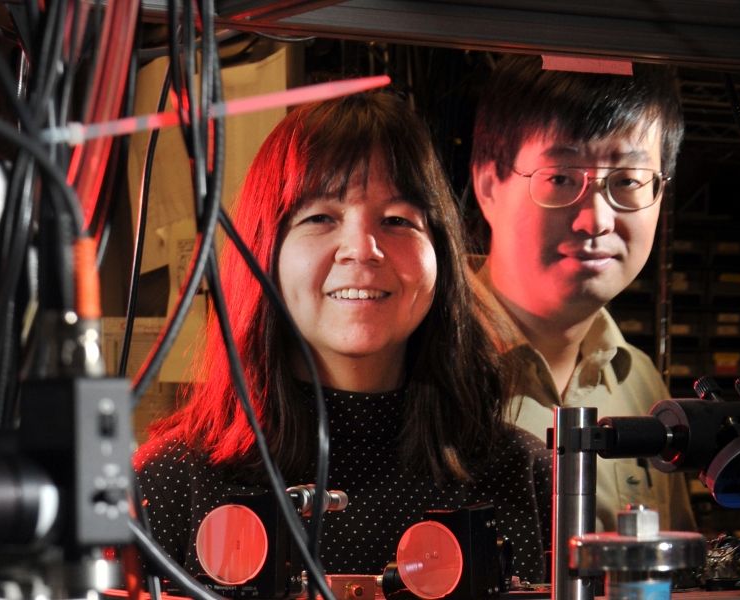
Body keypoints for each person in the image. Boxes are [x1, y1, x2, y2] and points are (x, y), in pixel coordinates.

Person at [135, 92, 552, 582]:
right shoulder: (170, 479)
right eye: (321, 218)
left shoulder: (521, 473)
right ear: (264, 251)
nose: (362, 249)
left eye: (397, 220)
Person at [470, 54, 696, 532]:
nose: (595, 220)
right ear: (488, 184)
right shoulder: (416, 361)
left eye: (628, 182)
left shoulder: (640, 386)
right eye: (560, 179)